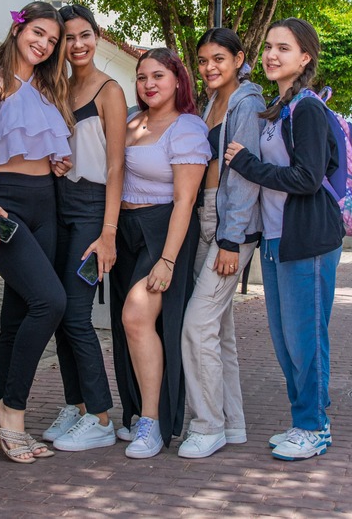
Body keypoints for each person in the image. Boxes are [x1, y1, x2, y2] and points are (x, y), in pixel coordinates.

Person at [224, 17, 344, 462]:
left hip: (307, 240)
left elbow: (307, 178)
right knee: (286, 339)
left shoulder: (307, 108)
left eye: (284, 48)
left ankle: (313, 426)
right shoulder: (279, 108)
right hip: (277, 240)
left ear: (305, 57)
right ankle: (306, 417)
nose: (272, 55)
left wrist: (247, 164)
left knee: (304, 338)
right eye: (269, 47)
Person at [0, 1, 73, 463]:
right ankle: (10, 409)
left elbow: (39, 144)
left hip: (45, 203)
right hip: (2, 203)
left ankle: (5, 423)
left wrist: (58, 160)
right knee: (50, 302)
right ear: (17, 29)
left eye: (52, 40)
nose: (44, 44)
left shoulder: (49, 87)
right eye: (38, 33)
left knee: (17, 316)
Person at [112, 48, 210, 458]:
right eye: (142, 77)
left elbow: (185, 201)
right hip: (126, 230)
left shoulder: (187, 127)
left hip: (164, 229)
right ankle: (135, 410)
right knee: (129, 327)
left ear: (177, 80)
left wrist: (168, 260)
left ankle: (152, 423)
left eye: (158, 76)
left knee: (136, 316)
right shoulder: (133, 122)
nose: (148, 84)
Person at [41, 5, 128, 451]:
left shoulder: (110, 91)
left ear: (97, 36)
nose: (77, 45)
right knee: (58, 311)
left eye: (85, 35)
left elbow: (116, 167)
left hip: (94, 210)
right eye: (69, 38)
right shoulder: (58, 88)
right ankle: (75, 406)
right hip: (59, 204)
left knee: (77, 314)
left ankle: (100, 416)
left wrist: (108, 231)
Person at [178, 28, 265, 459]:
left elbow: (246, 175)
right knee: (218, 329)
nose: (209, 67)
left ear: (238, 59)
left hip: (232, 224)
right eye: (203, 60)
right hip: (206, 216)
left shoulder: (247, 103)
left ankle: (206, 424)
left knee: (196, 326)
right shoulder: (213, 100)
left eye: (218, 59)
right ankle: (231, 422)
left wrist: (232, 239)